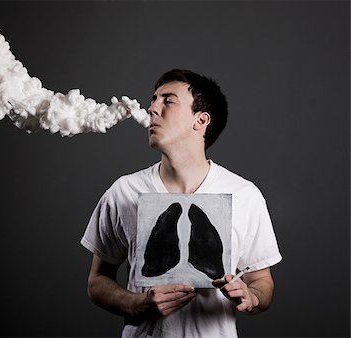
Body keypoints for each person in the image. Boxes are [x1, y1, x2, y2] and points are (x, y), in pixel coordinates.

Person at [80, 69, 282, 337]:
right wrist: (137, 304)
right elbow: (96, 281)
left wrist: (250, 296)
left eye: (168, 100)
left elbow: (262, 282)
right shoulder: (124, 191)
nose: (152, 108)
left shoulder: (245, 194)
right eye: (153, 99)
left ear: (201, 120)